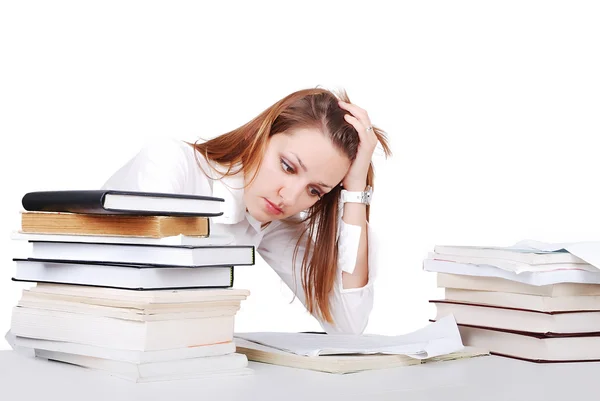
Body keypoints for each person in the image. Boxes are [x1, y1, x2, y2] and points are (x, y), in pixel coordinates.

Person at [102, 88, 392, 334]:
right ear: (262, 134)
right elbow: (146, 291)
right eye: (287, 166)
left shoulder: (270, 219)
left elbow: (348, 323)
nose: (290, 197)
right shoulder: (171, 162)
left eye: (315, 191)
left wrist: (356, 189)